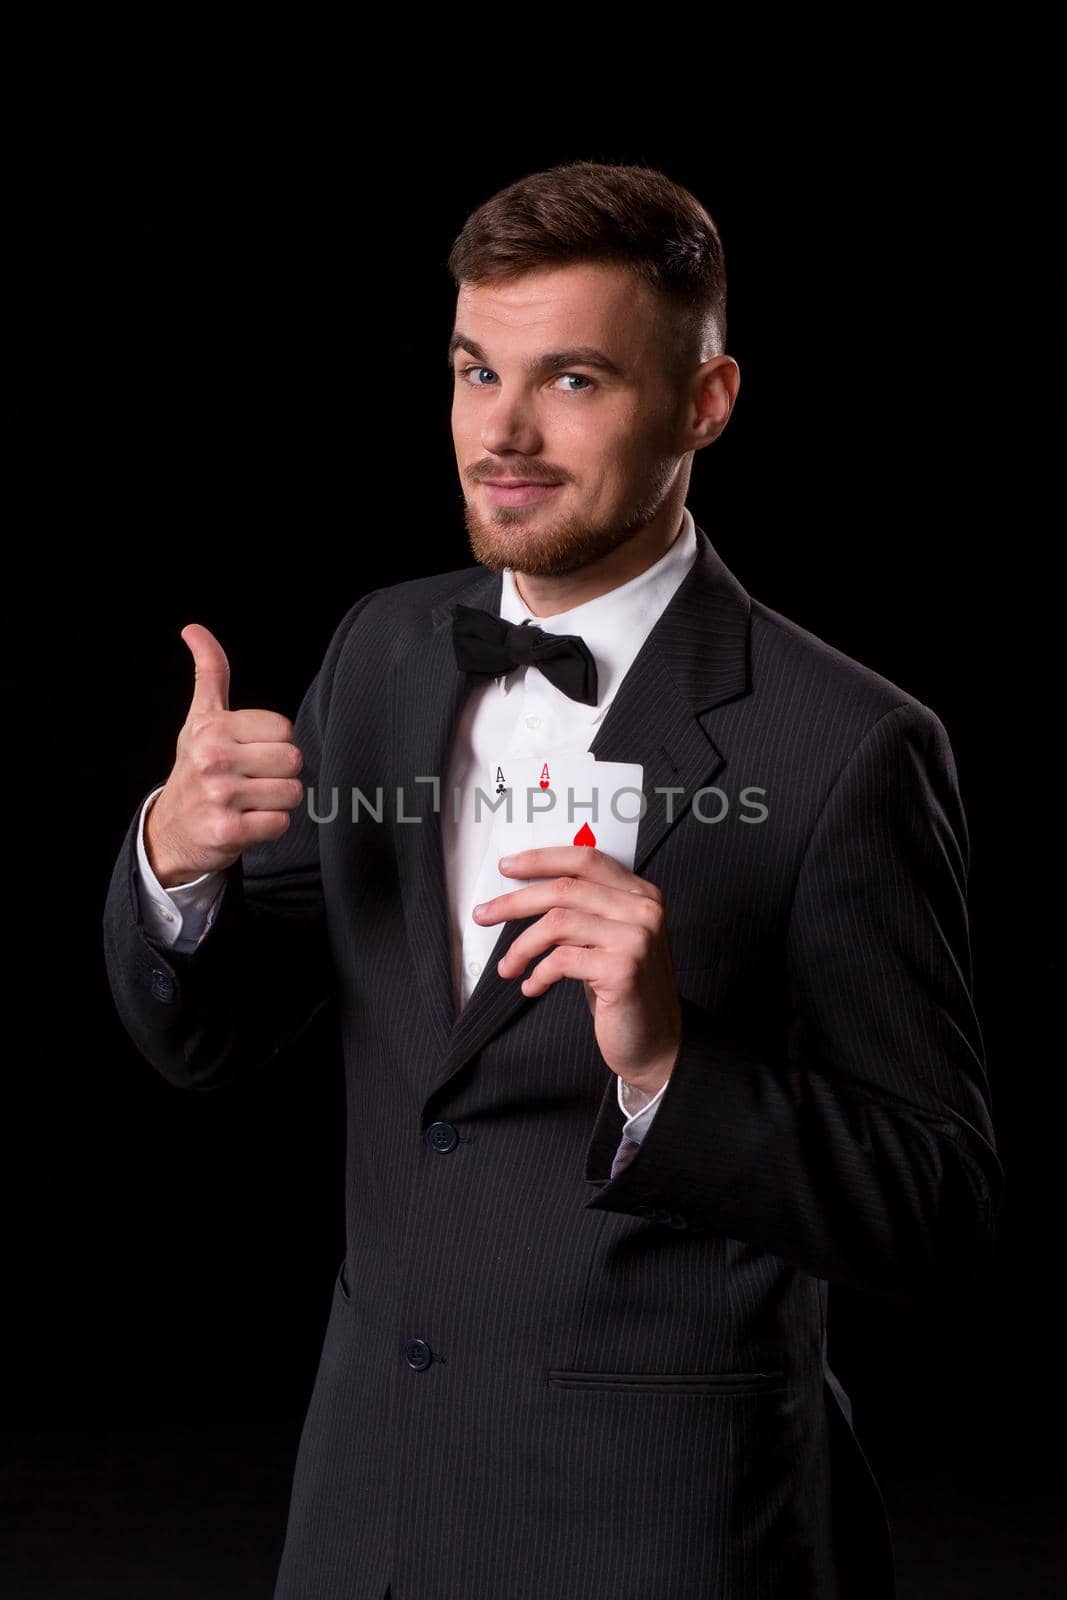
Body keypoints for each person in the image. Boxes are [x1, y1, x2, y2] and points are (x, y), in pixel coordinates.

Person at [102, 160, 1003, 1600]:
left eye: (572, 380)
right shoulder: (382, 653)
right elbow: (205, 1036)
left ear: (704, 404)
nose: (501, 435)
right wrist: (176, 863)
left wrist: (668, 1067)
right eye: (475, 372)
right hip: (368, 1520)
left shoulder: (851, 746)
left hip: (672, 1538)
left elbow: (939, 1205)